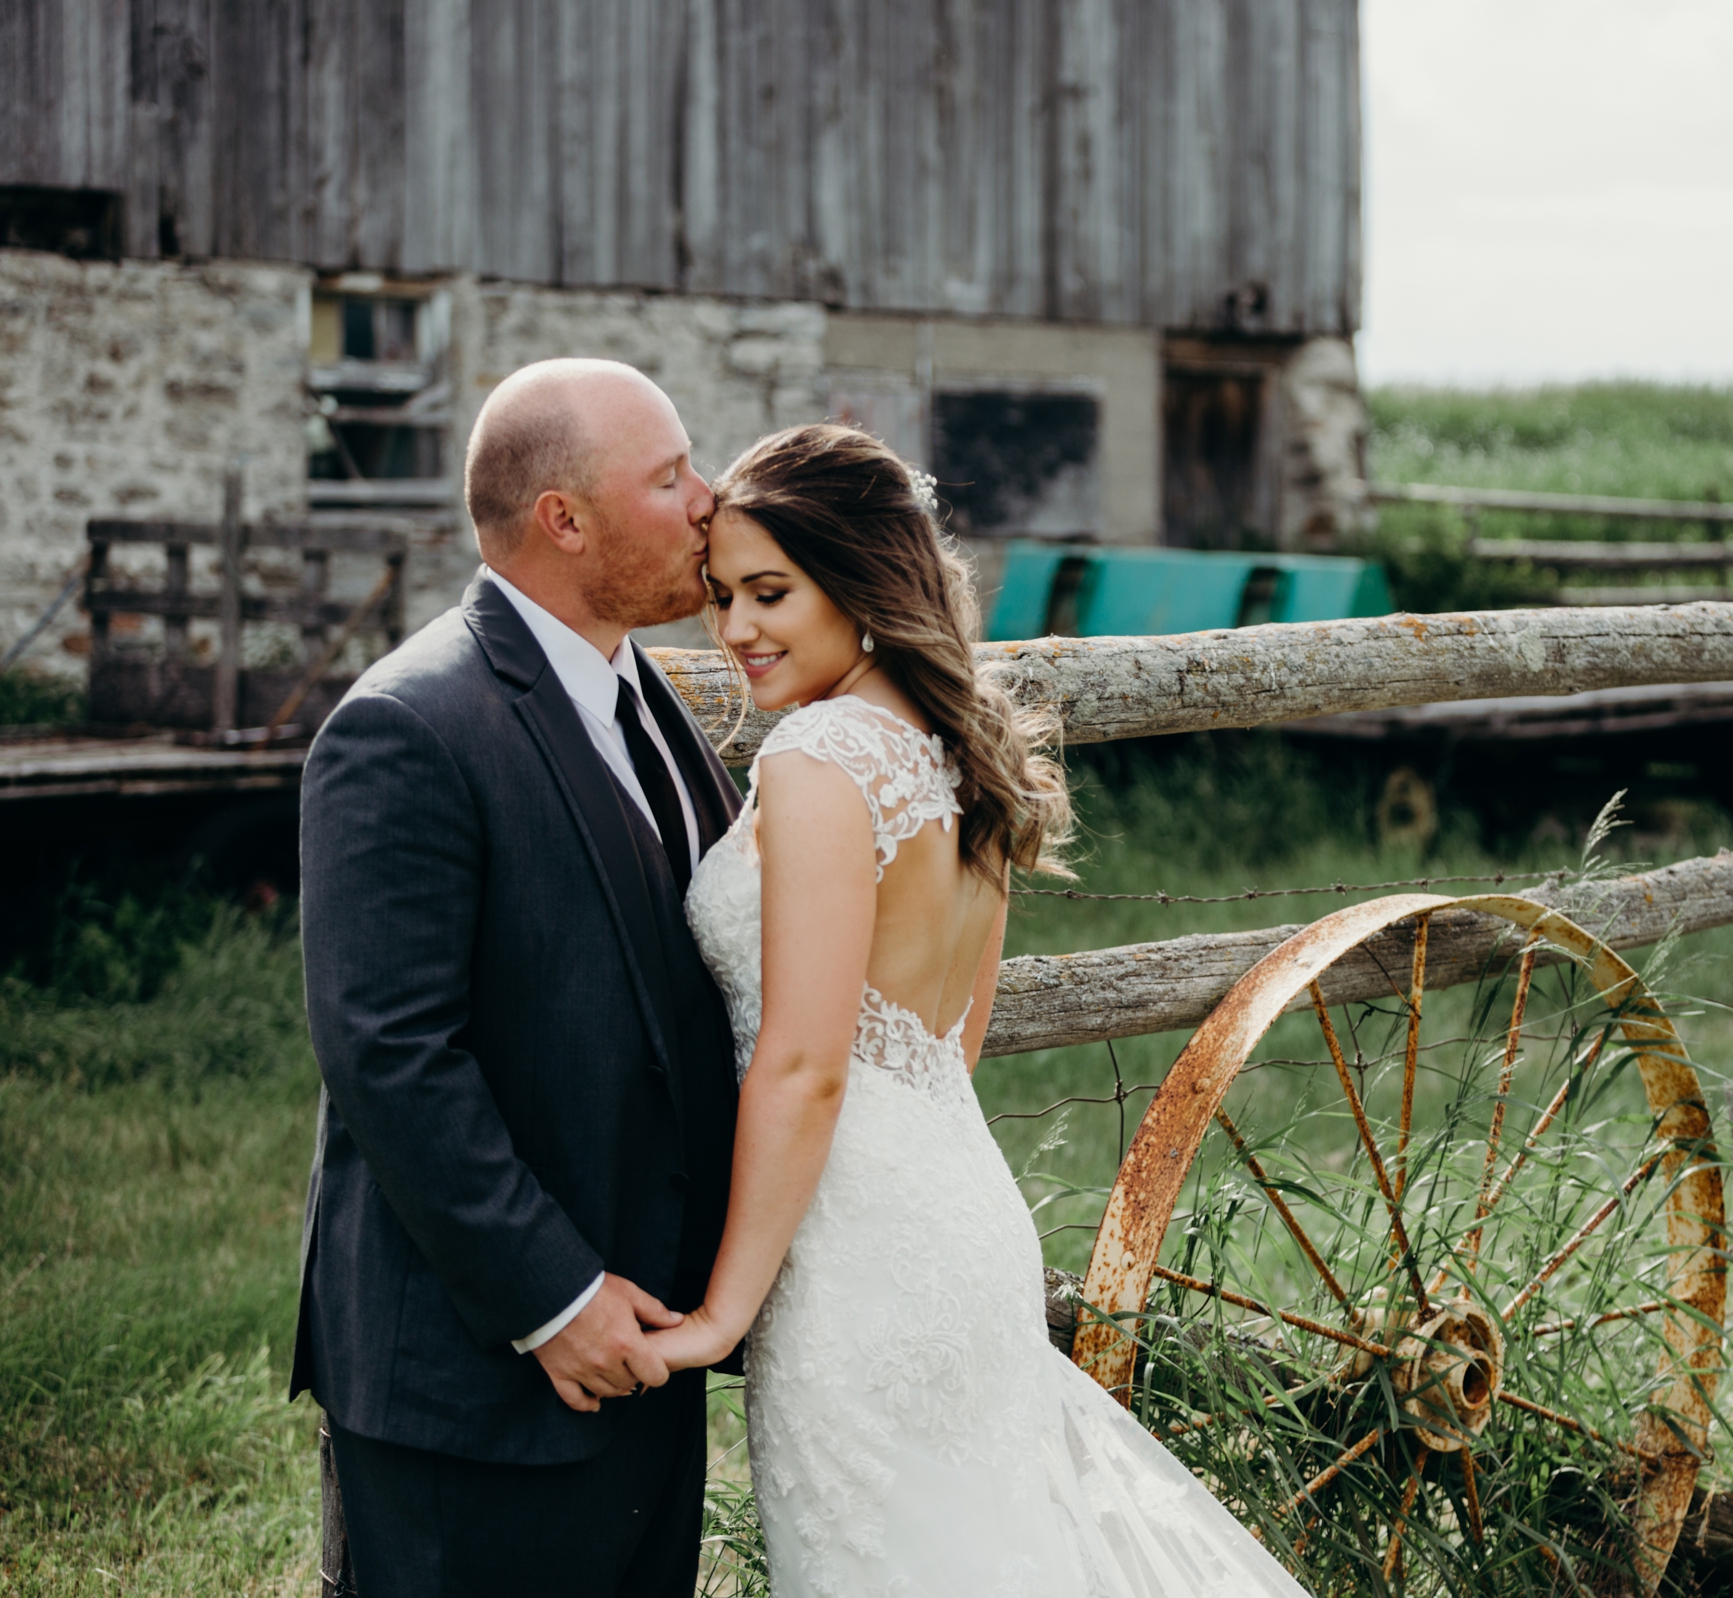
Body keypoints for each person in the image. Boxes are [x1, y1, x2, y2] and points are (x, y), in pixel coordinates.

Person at [646, 424, 1313, 1596]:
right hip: (958, 1220)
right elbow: (951, 1036)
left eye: (769, 592)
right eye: (718, 596)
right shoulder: (963, 752)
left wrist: (720, 1313)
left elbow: (806, 1066)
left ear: (861, 584)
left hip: (852, 1254)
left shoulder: (818, 757)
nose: (736, 629)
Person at [293, 358, 744, 1596]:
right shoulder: (407, 726)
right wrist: (552, 1297)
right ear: (565, 519)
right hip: (477, 1380)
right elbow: (388, 1049)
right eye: (669, 477)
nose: (708, 500)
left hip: (648, 1362)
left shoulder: (651, 700)